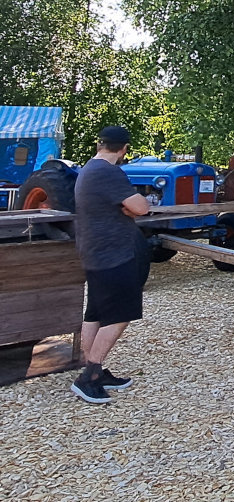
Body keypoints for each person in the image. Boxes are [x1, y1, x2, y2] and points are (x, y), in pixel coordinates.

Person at [71, 126, 151, 404]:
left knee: (95, 312)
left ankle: (95, 369)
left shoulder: (88, 169)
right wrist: (136, 206)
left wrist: (128, 207)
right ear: (124, 148)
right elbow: (140, 207)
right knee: (119, 314)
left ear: (100, 144)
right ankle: (89, 377)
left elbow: (125, 206)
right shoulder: (108, 171)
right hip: (113, 255)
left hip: (94, 251)